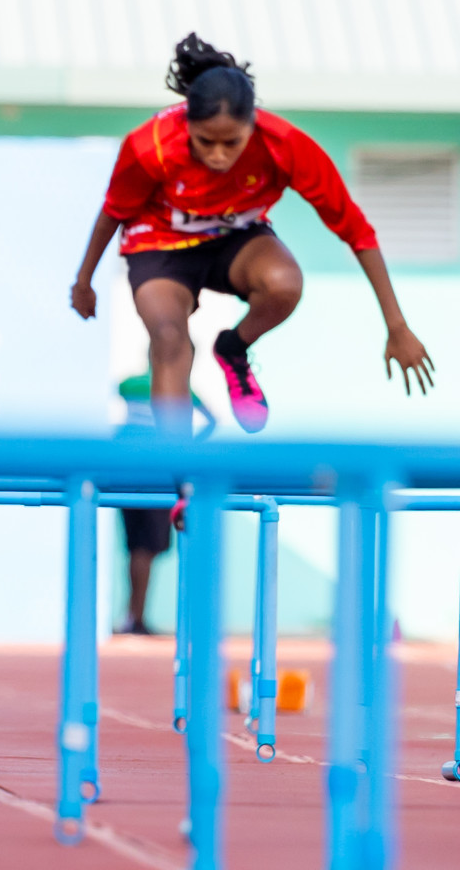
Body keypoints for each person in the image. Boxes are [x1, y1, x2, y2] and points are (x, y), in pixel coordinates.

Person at [71, 33, 434, 439]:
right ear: (186, 124)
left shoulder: (285, 145)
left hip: (234, 240)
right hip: (159, 245)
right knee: (170, 339)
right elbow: (111, 214)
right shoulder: (149, 147)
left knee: (284, 284)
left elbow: (357, 232)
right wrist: (84, 281)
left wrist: (397, 326)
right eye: (205, 142)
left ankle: (233, 348)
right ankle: (180, 480)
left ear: (252, 126)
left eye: (233, 143)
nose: (219, 156)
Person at [114, 370, 214, 635]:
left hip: (128, 471)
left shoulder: (129, 384)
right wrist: (186, 447)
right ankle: (135, 617)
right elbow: (211, 421)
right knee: (146, 548)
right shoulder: (181, 388)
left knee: (139, 547)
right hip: (158, 473)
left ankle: (133, 616)